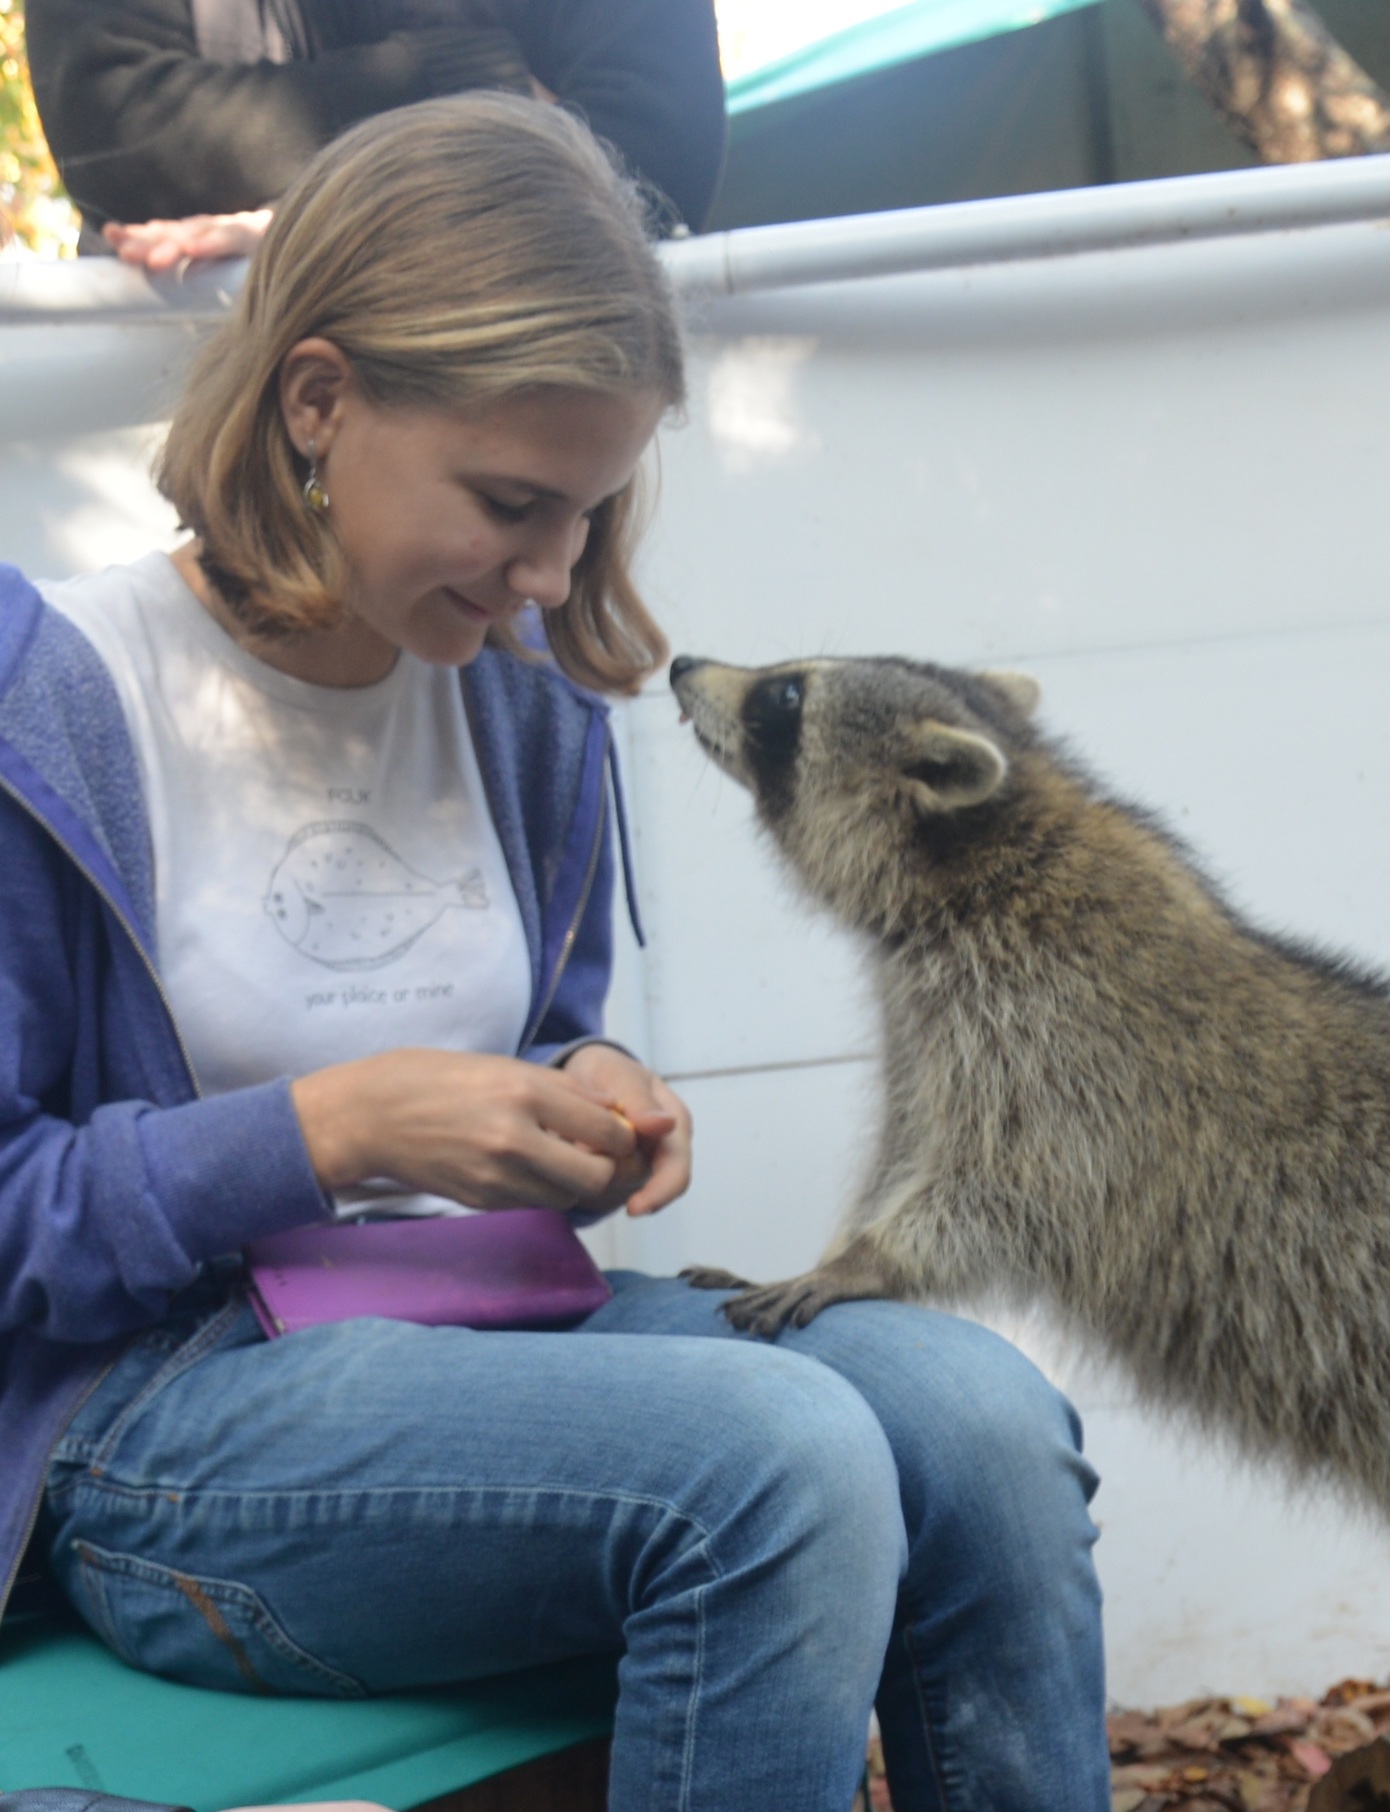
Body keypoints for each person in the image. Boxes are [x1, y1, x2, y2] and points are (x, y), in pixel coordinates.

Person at [0, 93, 1109, 1812]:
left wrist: (582, 1094)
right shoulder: (52, 700)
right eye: (516, 500)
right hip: (163, 1427)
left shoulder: (517, 704)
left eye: (587, 511)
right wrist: (330, 1132)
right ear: (318, 398)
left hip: (499, 1332)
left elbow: (538, 1041)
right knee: (779, 1462)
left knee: (978, 1418)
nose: (551, 572)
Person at [23, 0, 727, 266]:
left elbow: (653, 165)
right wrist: (477, 78)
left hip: (526, 420)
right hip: (193, 411)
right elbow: (124, 139)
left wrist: (318, 228)